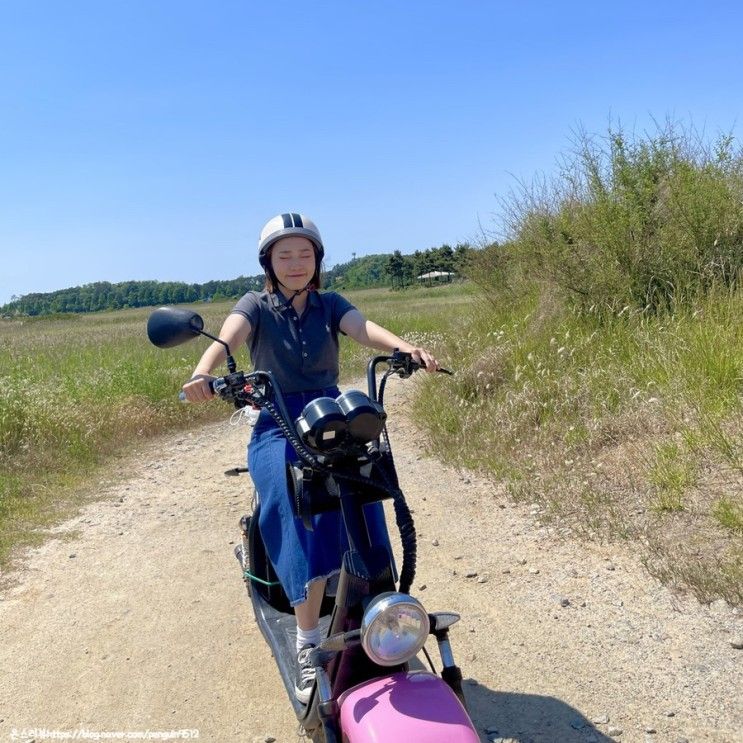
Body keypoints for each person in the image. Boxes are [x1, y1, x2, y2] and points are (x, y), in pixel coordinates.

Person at [182, 213, 439, 703]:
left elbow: (362, 328)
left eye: (305, 254)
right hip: (277, 421)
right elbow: (230, 336)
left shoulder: (329, 303)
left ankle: (376, 608)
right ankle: (306, 640)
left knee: (365, 483)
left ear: (317, 260)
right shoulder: (255, 304)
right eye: (285, 255)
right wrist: (202, 375)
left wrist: (405, 347)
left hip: (329, 413)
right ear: (269, 262)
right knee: (287, 491)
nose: (296, 263)